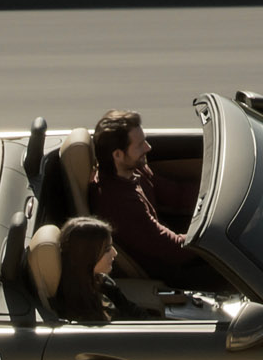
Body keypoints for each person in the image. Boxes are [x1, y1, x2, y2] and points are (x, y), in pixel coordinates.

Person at [86, 107, 216, 291]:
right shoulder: (120, 203)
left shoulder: (134, 169)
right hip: (168, 274)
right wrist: (219, 235)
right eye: (139, 145)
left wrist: (218, 197)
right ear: (117, 155)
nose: (148, 147)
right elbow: (174, 250)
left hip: (170, 247)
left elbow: (176, 195)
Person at [51, 216, 119, 325]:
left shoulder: (104, 282)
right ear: (85, 257)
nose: (115, 253)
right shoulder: (77, 312)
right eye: (107, 249)